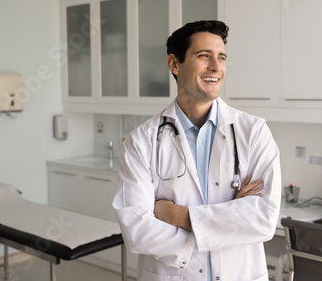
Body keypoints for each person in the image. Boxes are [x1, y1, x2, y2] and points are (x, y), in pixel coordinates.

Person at [113, 20, 281, 281]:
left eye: (221, 57)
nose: (216, 67)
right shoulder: (142, 141)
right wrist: (229, 217)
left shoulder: (254, 133)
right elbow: (136, 231)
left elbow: (263, 219)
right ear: (174, 64)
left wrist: (177, 215)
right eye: (204, 56)